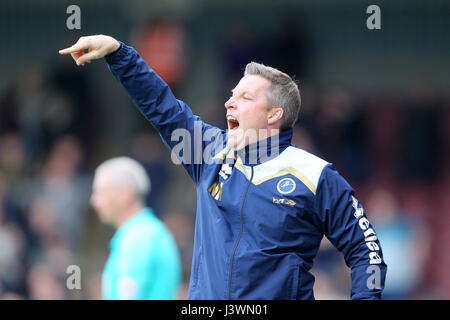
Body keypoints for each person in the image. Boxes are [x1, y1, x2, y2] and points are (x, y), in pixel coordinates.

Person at [60, 35, 387, 300]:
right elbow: (163, 106)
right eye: (232, 94)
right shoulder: (208, 151)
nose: (229, 102)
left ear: (273, 115)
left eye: (245, 97)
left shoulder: (316, 175)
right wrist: (119, 54)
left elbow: (366, 250)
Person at [90, 156, 182, 300]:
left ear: (125, 195)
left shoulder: (137, 240)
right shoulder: (152, 232)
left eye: (100, 192)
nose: (94, 200)